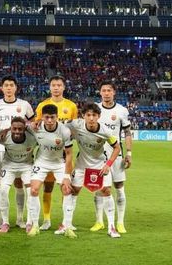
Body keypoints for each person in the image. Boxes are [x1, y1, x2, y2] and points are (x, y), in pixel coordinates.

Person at [64, 103, 122, 238]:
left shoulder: (105, 131)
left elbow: (117, 148)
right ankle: (67, 225)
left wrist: (108, 164)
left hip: (99, 165)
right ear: (83, 116)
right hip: (81, 165)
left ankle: (111, 228)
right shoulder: (76, 124)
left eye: (94, 115)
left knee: (106, 191)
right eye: (88, 115)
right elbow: (60, 125)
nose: (91, 118)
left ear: (98, 116)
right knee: (73, 191)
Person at [0, 76, 35, 229]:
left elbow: (31, 124)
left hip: (20, 145)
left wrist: (11, 129)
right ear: (1, 88)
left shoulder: (24, 105)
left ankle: (20, 218)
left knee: (19, 183)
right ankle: (1, 219)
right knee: (0, 184)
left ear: (16, 88)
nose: (8, 88)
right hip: (1, 147)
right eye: (6, 85)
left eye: (11, 85)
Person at [34, 75, 78, 231]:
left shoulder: (71, 106)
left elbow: (74, 128)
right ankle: (46, 220)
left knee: (66, 187)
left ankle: (66, 222)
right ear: (50, 87)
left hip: (64, 154)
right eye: (53, 85)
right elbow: (36, 125)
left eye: (59, 85)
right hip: (47, 154)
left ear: (63, 87)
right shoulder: (42, 105)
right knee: (48, 187)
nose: (56, 88)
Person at [27, 105, 74, 238]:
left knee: (66, 190)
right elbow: (19, 127)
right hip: (41, 162)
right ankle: (35, 225)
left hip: (59, 163)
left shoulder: (64, 131)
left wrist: (66, 176)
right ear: (42, 117)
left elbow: (69, 154)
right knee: (34, 190)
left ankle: (67, 226)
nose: (49, 120)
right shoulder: (35, 128)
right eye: (46, 117)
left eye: (52, 117)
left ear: (57, 117)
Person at [93, 81, 132, 234]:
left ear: (114, 92)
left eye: (109, 90)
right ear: (100, 92)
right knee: (99, 188)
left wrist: (129, 153)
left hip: (116, 154)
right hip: (97, 155)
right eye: (104, 90)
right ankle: (99, 221)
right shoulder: (95, 109)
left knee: (119, 186)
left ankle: (120, 222)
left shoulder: (122, 110)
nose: (106, 93)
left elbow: (127, 133)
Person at [0, 116, 37, 233]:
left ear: (25, 129)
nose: (17, 131)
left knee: (30, 191)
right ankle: (5, 222)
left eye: (20, 129)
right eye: (14, 129)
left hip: (27, 166)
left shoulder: (33, 137)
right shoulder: (4, 136)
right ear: (10, 128)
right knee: (3, 190)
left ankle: (28, 222)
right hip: (8, 166)